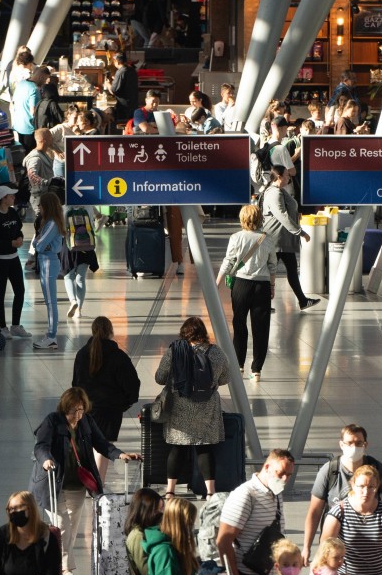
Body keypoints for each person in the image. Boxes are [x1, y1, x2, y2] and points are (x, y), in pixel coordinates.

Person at [32, 386, 140, 575]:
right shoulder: (52, 421)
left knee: (70, 530)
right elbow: (41, 446)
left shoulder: (87, 423)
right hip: (53, 484)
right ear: (65, 408)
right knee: (62, 525)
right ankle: (66, 571)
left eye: (81, 409)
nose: (77, 414)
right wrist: (46, 460)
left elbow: (102, 444)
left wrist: (120, 454)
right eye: (73, 410)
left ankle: (59, 568)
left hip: (77, 485)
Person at [303, 423, 382, 555]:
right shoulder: (330, 470)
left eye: (359, 443)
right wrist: (306, 547)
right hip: (336, 549)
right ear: (341, 445)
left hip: (370, 543)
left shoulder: (375, 467)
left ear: (365, 445)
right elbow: (315, 511)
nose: (354, 447)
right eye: (349, 443)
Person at [153, 317, 229, 497]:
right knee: (204, 448)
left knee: (177, 448)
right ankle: (210, 492)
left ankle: (170, 491)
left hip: (180, 406)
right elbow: (225, 379)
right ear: (203, 332)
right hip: (207, 407)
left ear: (184, 333)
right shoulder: (216, 352)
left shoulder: (175, 351)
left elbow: (159, 377)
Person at [71, 316, 141, 481]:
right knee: (103, 445)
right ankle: (98, 483)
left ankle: (90, 480)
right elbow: (132, 384)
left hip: (85, 407)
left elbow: (75, 383)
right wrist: (124, 403)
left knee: (90, 444)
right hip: (110, 410)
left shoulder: (82, 354)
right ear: (111, 332)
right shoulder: (118, 356)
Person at [216, 204, 278, 380]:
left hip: (241, 286)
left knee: (239, 324)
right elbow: (272, 266)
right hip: (262, 286)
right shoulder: (267, 239)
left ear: (242, 218)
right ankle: (256, 369)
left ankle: (239, 365)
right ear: (259, 219)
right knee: (261, 328)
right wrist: (272, 287)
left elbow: (228, 261)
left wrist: (217, 282)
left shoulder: (236, 237)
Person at [260, 165, 319, 311]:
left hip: (283, 240)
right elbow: (282, 216)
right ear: (279, 177)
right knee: (269, 271)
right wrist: (301, 232)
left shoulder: (278, 191)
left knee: (291, 270)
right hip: (277, 240)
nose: (289, 177)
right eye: (286, 175)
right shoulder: (274, 193)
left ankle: (303, 301)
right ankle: (264, 304)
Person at [0, 184, 30, 339]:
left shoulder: (12, 212)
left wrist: (20, 238)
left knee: (20, 291)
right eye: (10, 196)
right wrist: (9, 244)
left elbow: (18, 230)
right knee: (0, 292)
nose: (13, 198)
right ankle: (3, 327)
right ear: (3, 198)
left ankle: (16, 325)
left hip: (13, 258)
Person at [32, 192, 65, 349]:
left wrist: (42, 244)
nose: (39, 208)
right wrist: (42, 244)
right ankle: (50, 334)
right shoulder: (49, 222)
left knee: (51, 301)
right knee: (49, 301)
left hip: (48, 263)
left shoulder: (51, 224)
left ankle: (52, 336)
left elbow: (38, 245)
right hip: (46, 261)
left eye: (41, 205)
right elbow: (37, 244)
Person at [62, 204, 99, 319]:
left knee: (68, 277)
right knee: (81, 278)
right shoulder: (88, 206)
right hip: (87, 245)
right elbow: (97, 220)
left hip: (70, 245)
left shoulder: (65, 208)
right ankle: (79, 310)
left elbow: (61, 228)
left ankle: (73, 301)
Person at [11, 68, 40, 150]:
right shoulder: (34, 88)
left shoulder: (20, 84)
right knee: (30, 152)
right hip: (29, 126)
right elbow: (32, 110)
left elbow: (14, 102)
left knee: (22, 150)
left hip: (18, 124)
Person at [106, 52, 139, 123]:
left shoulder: (121, 72)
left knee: (123, 123)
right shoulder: (132, 70)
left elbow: (114, 90)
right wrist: (116, 79)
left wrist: (108, 84)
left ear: (117, 61)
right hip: (133, 104)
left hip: (124, 106)